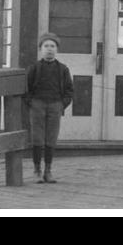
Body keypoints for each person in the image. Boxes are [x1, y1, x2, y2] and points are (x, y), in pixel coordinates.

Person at [25, 33, 74, 183]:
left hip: (55, 106)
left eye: (52, 46)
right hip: (37, 105)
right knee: (37, 138)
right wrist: (32, 103)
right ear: (40, 49)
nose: (49, 49)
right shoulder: (34, 68)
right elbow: (26, 89)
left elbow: (69, 90)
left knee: (51, 138)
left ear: (57, 50)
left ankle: (48, 170)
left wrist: (61, 105)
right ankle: (37, 170)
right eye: (46, 46)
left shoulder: (63, 69)